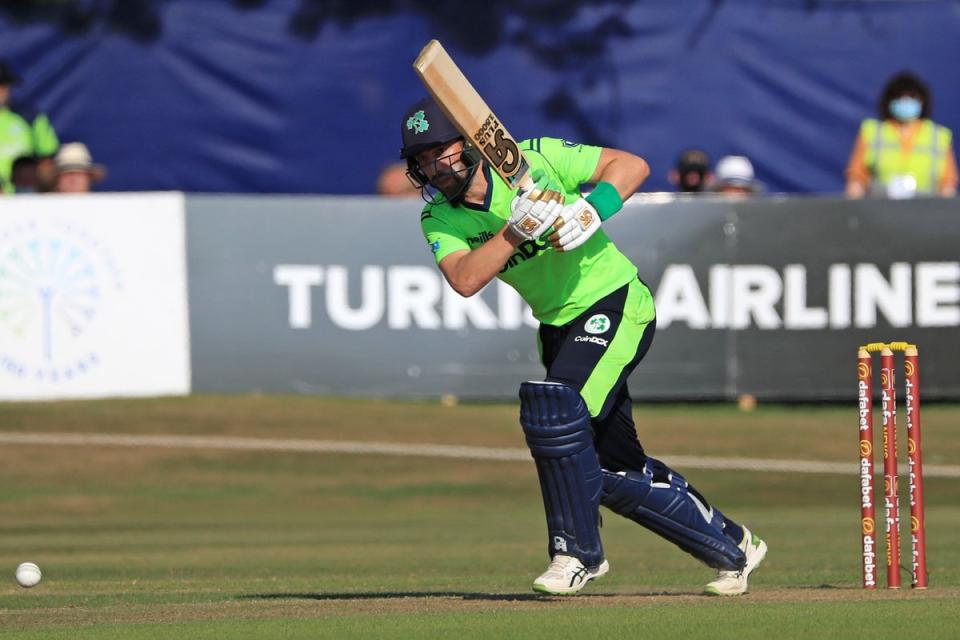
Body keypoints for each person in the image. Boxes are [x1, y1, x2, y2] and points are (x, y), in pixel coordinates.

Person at [400, 96, 767, 596]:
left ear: (467, 142)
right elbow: (465, 279)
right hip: (557, 327)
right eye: (420, 160)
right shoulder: (440, 219)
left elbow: (631, 166)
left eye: (439, 152)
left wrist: (591, 210)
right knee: (612, 469)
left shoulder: (538, 158)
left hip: (614, 303)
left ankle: (576, 552)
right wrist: (516, 230)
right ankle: (734, 547)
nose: (432, 167)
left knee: (557, 412)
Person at [845, 71, 957, 199]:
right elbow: (856, 179)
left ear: (922, 101)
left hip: (926, 212)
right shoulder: (871, 132)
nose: (905, 102)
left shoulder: (939, 136)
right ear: (889, 102)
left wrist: (944, 215)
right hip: (880, 211)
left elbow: (948, 184)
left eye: (911, 98)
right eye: (900, 98)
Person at [0, 59, 59, 194]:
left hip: (25, 197)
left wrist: (39, 188)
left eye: (3, 84)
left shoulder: (30, 116)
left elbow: (47, 159)